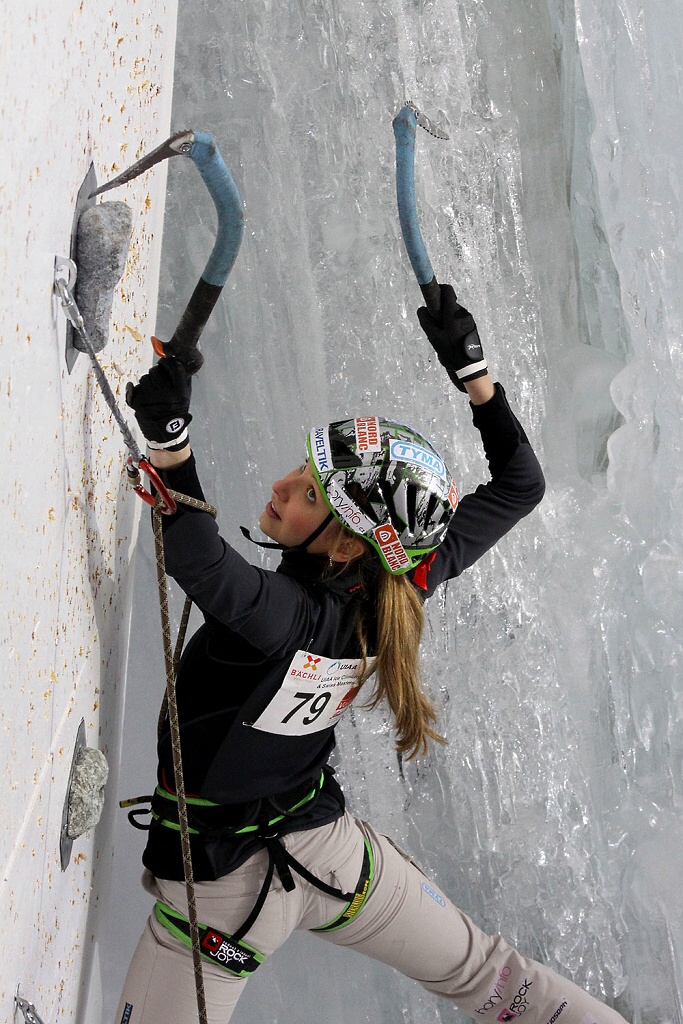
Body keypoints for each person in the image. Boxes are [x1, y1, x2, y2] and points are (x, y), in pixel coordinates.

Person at [115, 285, 627, 1024]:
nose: (279, 486)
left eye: (306, 494)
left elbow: (199, 564)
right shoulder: (402, 581)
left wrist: (171, 444)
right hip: (335, 862)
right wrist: (474, 377)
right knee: (491, 977)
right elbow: (520, 485)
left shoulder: (287, 617)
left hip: (221, 900)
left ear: (348, 541)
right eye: (301, 470)